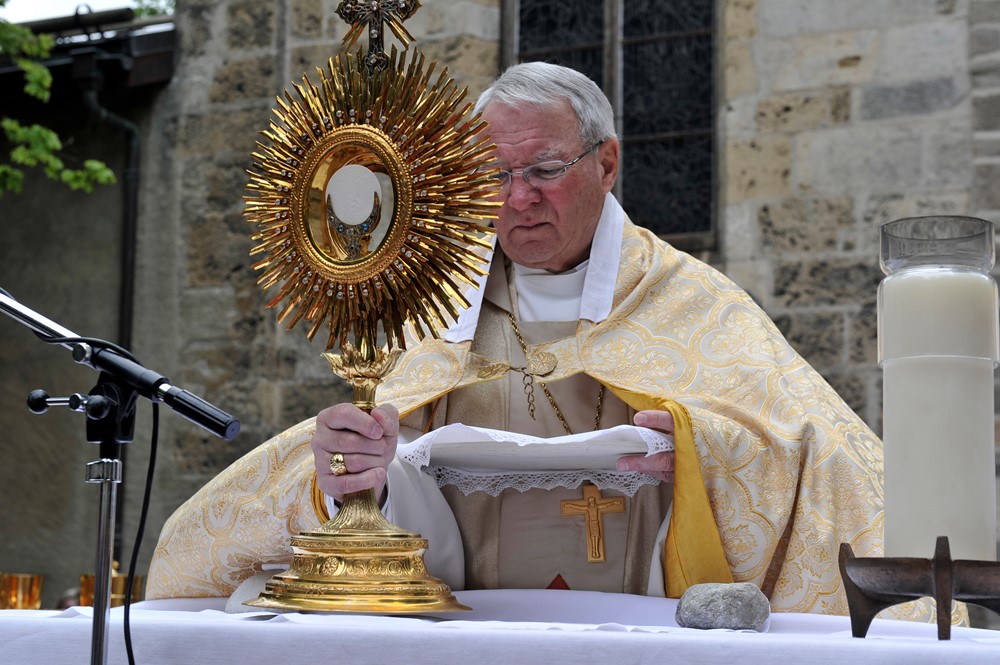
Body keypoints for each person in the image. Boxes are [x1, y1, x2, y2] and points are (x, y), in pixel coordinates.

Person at [146, 62, 883, 614]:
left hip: (634, 629)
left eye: (544, 169)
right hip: (466, 631)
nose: (518, 197)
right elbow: (395, 463)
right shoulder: (436, 310)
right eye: (495, 173)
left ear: (606, 163)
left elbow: (813, 452)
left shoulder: (690, 300)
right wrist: (360, 474)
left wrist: (696, 446)